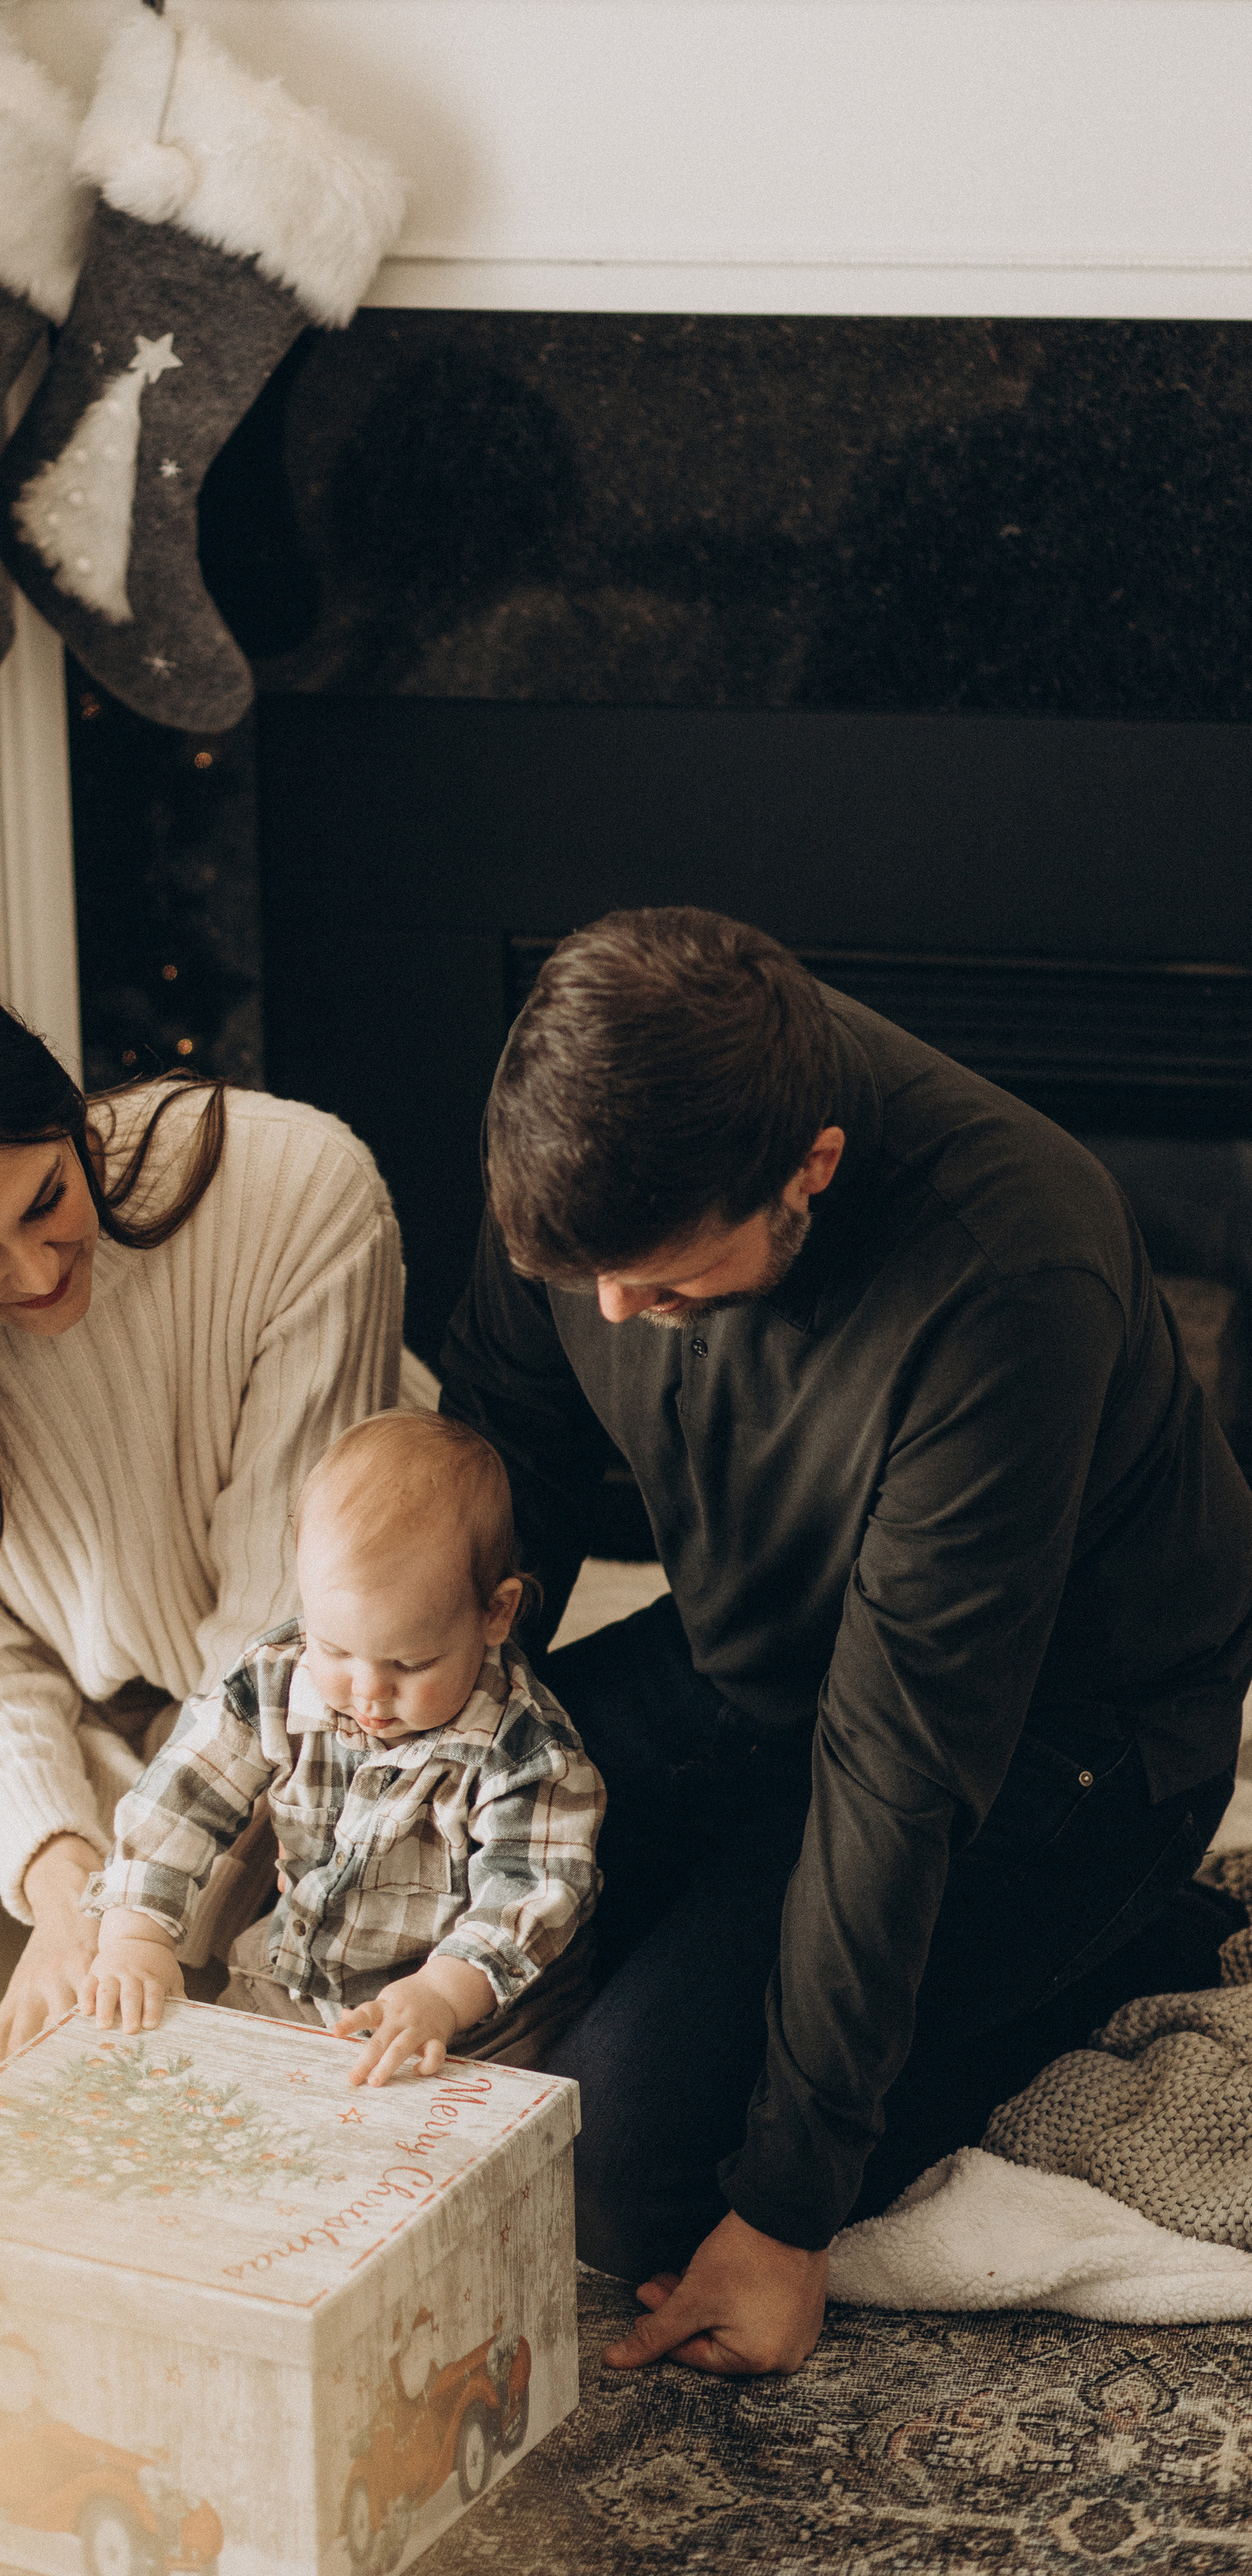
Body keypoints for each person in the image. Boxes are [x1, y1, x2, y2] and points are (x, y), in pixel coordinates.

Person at [439, 907, 1252, 2379]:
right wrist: (436, 1747)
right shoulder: (586, 1122)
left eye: (663, 1286)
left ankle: (1134, 1931)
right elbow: (507, 1445)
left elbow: (895, 1770)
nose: (613, 1314)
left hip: (1064, 1746)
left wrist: (785, 2213)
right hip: (757, 1657)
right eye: (587, 1279)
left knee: (626, 2182)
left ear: (807, 1172)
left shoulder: (1009, 1273)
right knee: (436, 1901)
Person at [0, 967, 406, 2066]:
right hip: (66, 1697)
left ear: (72, 1122)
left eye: (47, 1199)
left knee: (259, 1994)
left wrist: (141, 1909)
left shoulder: (296, 1185)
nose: (39, 1272)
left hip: (296, 1693)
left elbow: (287, 1624)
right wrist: (62, 1889)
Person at [79, 1409, 606, 2082]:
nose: (368, 1692)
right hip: (298, 1978)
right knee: (202, 2082)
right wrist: (135, 1932)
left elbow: (531, 1895)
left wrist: (443, 1994)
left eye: (410, 1664)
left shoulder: (527, 1755)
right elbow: (178, 1800)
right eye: (334, 1648)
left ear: (496, 1613)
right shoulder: (274, 1680)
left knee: (473, 2116)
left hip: (473, 2015)